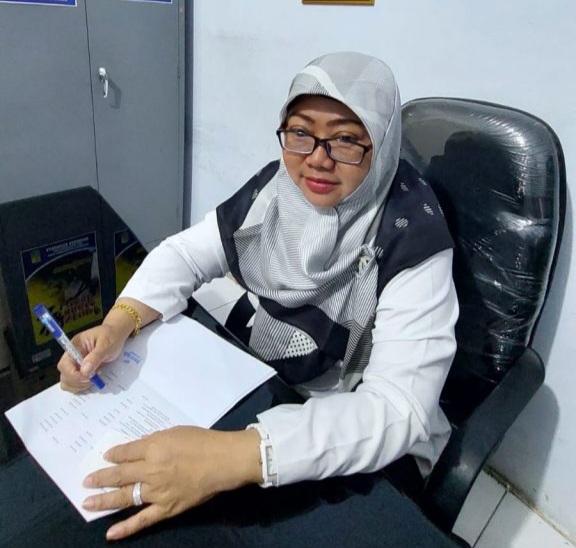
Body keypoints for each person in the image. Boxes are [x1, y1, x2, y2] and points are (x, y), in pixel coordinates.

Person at [58, 51, 458, 541]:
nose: (317, 158)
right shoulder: (277, 189)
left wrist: (231, 456)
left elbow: (398, 409)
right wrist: (119, 323)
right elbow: (187, 254)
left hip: (351, 431)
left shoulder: (411, 239)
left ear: (382, 141)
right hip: (271, 383)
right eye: (300, 132)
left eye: (346, 139)